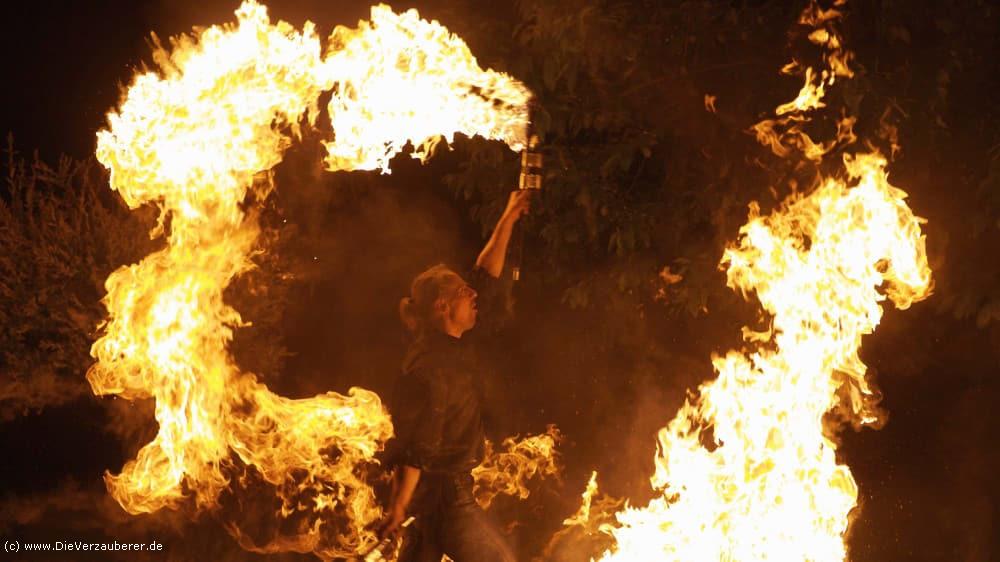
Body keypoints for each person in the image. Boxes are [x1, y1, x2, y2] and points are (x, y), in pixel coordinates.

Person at [379, 190, 532, 562]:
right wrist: (398, 507)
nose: (474, 295)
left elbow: (485, 273)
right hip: (446, 500)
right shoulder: (432, 367)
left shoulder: (452, 345)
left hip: (434, 499)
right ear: (442, 306)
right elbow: (417, 448)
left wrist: (509, 217)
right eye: (465, 292)